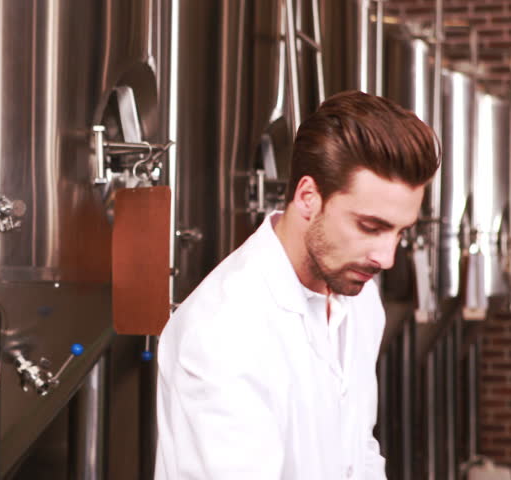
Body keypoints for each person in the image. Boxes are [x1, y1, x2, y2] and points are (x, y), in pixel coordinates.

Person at [155, 90, 439, 479]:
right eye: (370, 227)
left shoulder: (359, 298)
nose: (386, 258)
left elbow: (358, 451)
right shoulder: (224, 328)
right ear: (308, 197)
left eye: (400, 232)